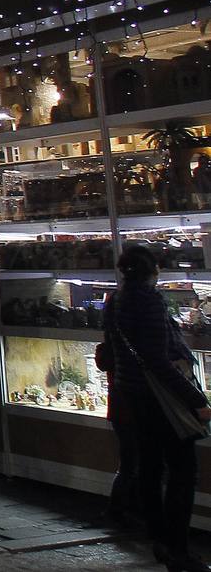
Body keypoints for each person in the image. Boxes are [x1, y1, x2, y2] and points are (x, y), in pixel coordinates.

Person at [105, 244, 209, 571]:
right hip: (160, 398)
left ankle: (160, 539)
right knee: (182, 471)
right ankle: (177, 548)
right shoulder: (148, 301)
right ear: (153, 270)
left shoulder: (117, 300)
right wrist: (195, 398)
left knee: (150, 467)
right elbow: (158, 361)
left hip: (132, 395)